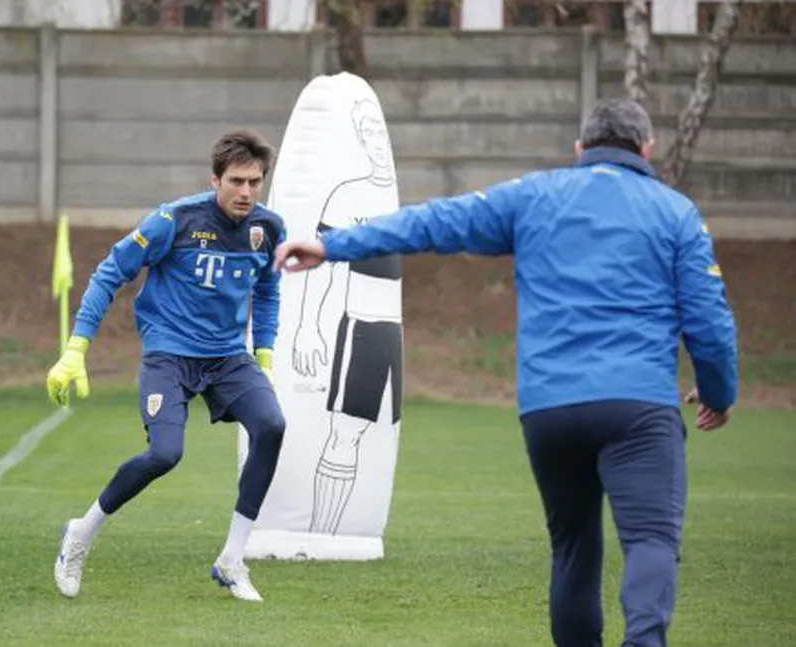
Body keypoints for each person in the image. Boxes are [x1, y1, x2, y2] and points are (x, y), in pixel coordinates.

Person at [274, 98, 738, 646]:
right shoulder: (675, 212)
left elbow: (432, 223)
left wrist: (332, 244)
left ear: (579, 149)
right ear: (648, 148)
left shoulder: (533, 196)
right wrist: (718, 391)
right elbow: (709, 320)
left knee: (573, 548)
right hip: (638, 407)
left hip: (550, 410)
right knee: (651, 542)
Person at [46, 129, 288, 602]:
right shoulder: (172, 221)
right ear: (215, 178)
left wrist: (264, 353)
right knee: (164, 455)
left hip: (227, 357)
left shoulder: (269, 228)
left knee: (272, 425)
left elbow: (269, 289)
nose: (245, 192)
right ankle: (80, 532)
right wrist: (75, 350)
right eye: (236, 181)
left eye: (254, 182)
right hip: (169, 354)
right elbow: (109, 273)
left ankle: (232, 559)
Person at [289, 98, 404, 535]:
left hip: (396, 331)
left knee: (383, 434)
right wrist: (307, 328)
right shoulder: (348, 195)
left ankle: (359, 533)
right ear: (359, 139)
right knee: (344, 434)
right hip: (364, 327)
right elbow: (322, 265)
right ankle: (323, 536)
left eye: (380, 131)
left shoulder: (399, 202)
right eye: (367, 133)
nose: (376, 142)